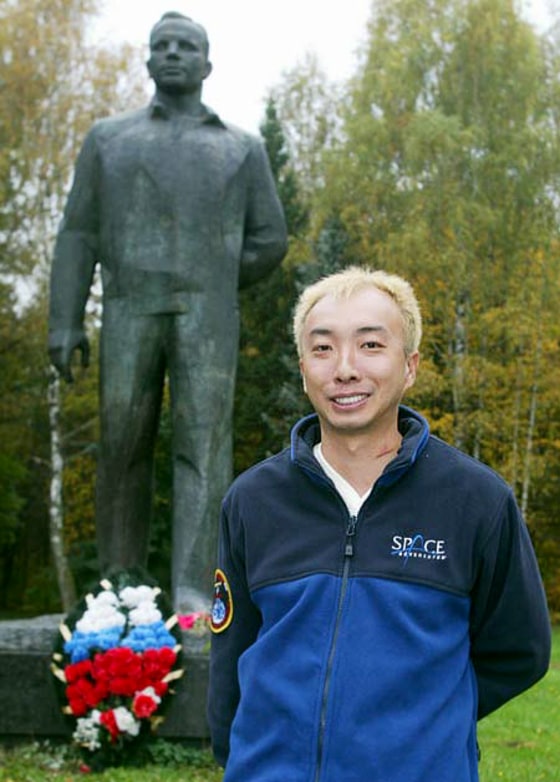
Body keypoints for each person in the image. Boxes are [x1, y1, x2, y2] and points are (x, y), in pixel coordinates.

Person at [207, 266, 551, 782]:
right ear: (303, 369)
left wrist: (422, 725)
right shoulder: (252, 500)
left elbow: (519, 652)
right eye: (322, 349)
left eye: (370, 345)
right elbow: (232, 659)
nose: (344, 368)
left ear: (409, 366)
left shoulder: (477, 499)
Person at [48, 12, 287, 612]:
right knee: (122, 438)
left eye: (187, 46)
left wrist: (214, 275)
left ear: (207, 64)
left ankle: (194, 589)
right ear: (149, 60)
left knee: (204, 446)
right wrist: (65, 318)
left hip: (207, 315)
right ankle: (117, 580)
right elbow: (77, 232)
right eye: (162, 46)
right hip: (128, 308)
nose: (173, 53)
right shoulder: (109, 139)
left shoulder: (240, 146)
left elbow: (270, 238)